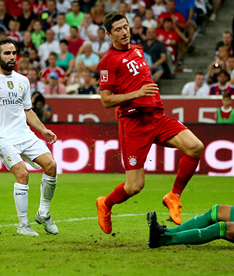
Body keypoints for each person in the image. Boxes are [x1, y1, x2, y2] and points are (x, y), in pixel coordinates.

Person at [96, 12, 205, 233]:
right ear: (108, 34)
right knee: (135, 186)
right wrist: (138, 93)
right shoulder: (108, 61)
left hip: (156, 116)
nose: (124, 32)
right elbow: (106, 100)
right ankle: (105, 204)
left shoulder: (138, 50)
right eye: (118, 29)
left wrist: (147, 94)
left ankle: (173, 196)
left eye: (125, 27)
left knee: (195, 147)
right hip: (133, 122)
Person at [0, 37, 59, 236]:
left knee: (52, 166)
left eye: (14, 53)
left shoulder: (23, 81)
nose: (12, 57)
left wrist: (43, 129)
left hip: (25, 134)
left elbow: (28, 110)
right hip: (3, 138)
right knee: (22, 174)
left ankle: (43, 213)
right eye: (7, 53)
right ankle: (23, 225)